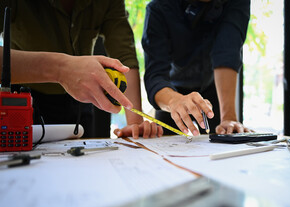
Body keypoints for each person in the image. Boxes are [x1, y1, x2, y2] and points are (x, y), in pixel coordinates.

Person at [0, 0, 163, 139]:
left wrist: (134, 124)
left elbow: (124, 54)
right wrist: (61, 69)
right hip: (23, 102)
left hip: (81, 104)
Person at [142, 0, 251, 136]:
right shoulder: (158, 8)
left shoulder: (235, 3)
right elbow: (156, 75)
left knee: (225, 138)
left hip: (215, 92)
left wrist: (229, 117)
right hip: (171, 93)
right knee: (166, 148)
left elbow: (227, 53)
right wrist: (174, 101)